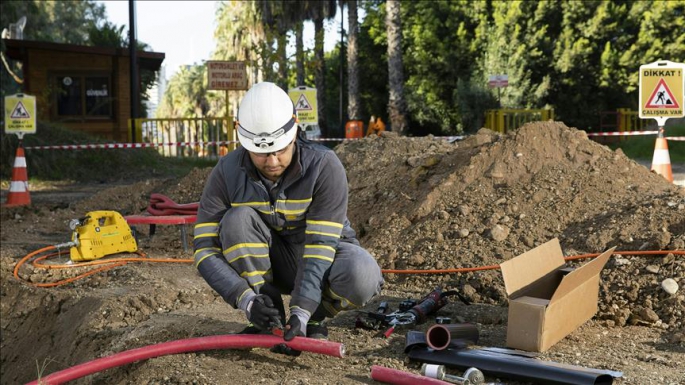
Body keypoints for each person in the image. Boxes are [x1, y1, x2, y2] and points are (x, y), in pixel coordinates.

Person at [193, 82, 384, 341]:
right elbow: (204, 250)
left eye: (280, 149)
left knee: (363, 274)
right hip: (271, 264)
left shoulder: (324, 166)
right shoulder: (226, 172)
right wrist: (247, 300)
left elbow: (320, 246)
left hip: (323, 261)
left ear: (295, 131)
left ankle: (315, 315)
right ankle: (268, 314)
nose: (272, 162)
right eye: (261, 153)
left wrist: (303, 312)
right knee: (236, 221)